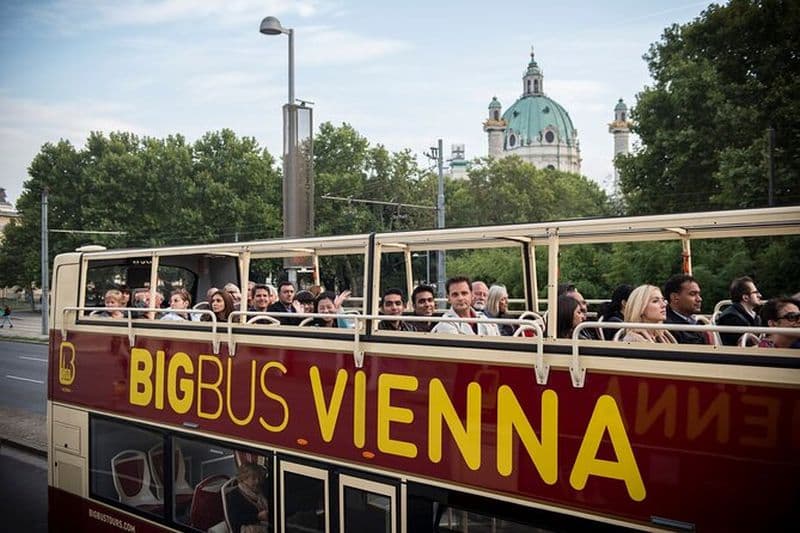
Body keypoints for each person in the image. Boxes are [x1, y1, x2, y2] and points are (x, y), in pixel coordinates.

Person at [432, 277, 500, 336]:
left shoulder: (483, 318)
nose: (460, 298)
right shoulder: (445, 325)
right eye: (455, 295)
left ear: (471, 295)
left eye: (464, 293)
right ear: (449, 299)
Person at [717, 276, 763, 346]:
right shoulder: (731, 318)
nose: (760, 295)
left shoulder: (753, 316)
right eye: (755, 293)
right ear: (745, 297)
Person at [663, 274, 707, 344]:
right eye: (692, 294)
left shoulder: (699, 322)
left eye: (699, 294)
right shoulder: (669, 327)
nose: (699, 299)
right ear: (675, 297)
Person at [227, 462, 270, 533]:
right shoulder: (234, 495)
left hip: (265, 523)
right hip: (247, 528)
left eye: (259, 477)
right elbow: (235, 519)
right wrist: (257, 517)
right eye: (253, 478)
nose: (257, 481)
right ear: (243, 479)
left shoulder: (260, 489)